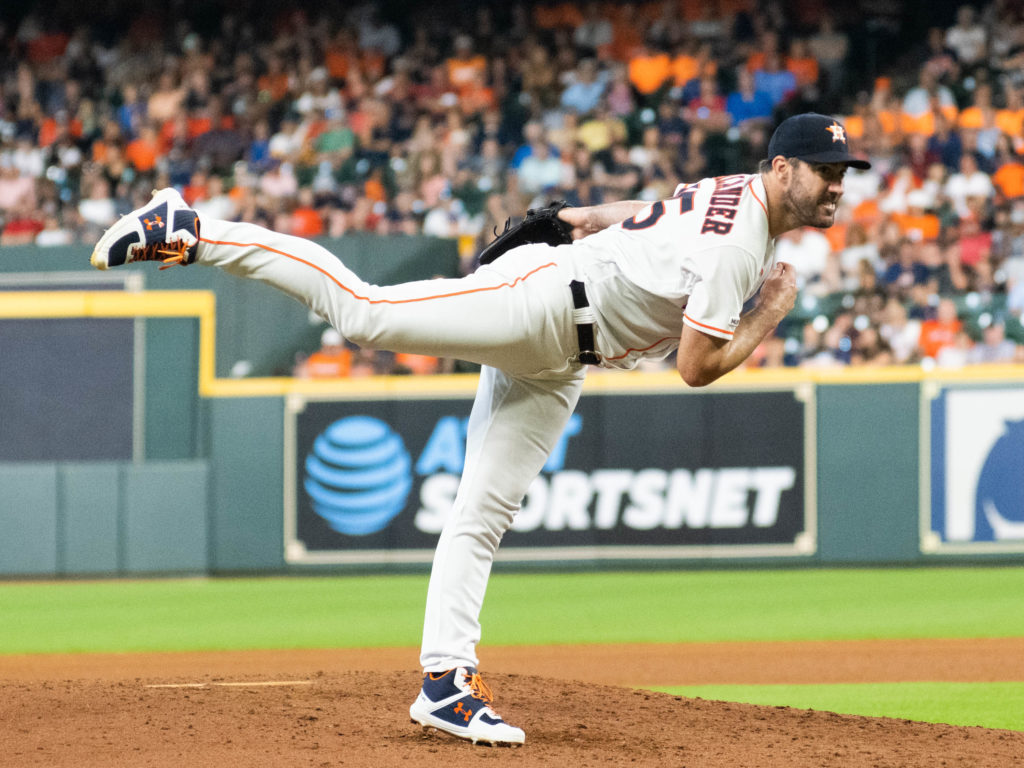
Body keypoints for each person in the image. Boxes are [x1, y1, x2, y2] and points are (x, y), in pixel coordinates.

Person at [89, 112, 868, 747]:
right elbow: (696, 368)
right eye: (824, 169)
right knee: (365, 312)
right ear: (782, 170)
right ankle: (194, 228)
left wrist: (583, 216)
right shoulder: (744, 244)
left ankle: (445, 682)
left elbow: (649, 215)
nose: (836, 184)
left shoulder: (737, 195)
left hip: (566, 349)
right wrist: (771, 309)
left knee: (483, 513)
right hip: (546, 304)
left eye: (843, 173)